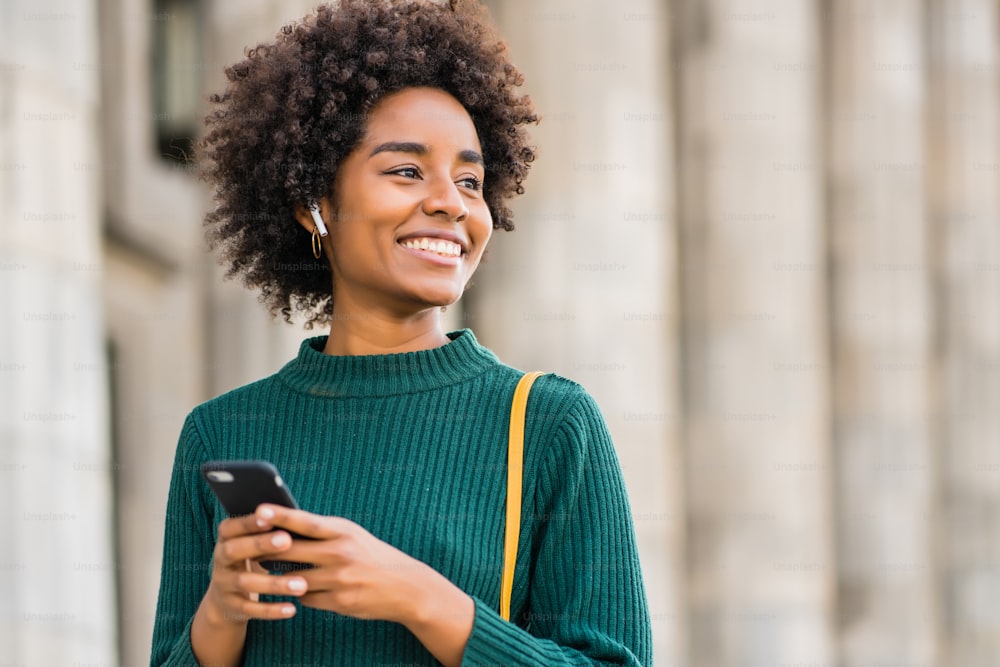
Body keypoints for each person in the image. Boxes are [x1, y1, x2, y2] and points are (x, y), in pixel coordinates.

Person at [149, 1, 652, 665]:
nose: (451, 202)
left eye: (469, 180)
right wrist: (220, 614)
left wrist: (420, 597)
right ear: (314, 203)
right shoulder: (221, 433)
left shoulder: (549, 425)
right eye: (406, 170)